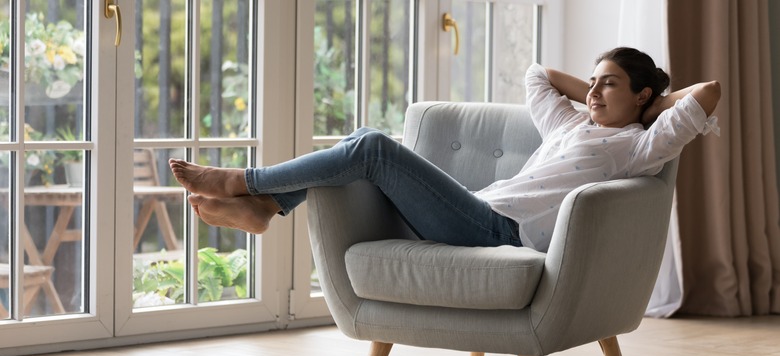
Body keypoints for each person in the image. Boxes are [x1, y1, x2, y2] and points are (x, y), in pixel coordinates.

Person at [169, 47, 721, 252]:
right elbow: (538, 74)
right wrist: (601, 91)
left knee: (375, 148)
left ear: (644, 97)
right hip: (477, 208)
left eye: (610, 85)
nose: (595, 92)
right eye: (594, 82)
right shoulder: (568, 126)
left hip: (500, 231)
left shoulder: (639, 145)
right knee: (365, 140)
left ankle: (247, 185)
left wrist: (652, 106)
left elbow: (709, 93)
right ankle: (266, 206)